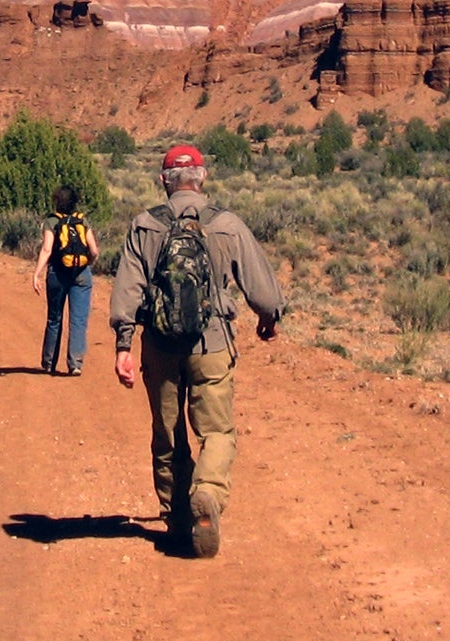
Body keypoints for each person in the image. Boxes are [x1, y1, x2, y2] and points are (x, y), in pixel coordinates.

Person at [109, 143, 286, 559]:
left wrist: (123, 344)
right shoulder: (226, 224)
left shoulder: (145, 225)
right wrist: (269, 317)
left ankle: (177, 521)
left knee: (168, 435)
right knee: (217, 432)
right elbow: (262, 289)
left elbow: (128, 289)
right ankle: (206, 492)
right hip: (212, 343)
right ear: (202, 177)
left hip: (160, 345)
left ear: (163, 181)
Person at [30, 184, 99, 375]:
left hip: (58, 274)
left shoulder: (52, 221)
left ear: (57, 201)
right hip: (82, 274)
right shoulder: (82, 221)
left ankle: (49, 362)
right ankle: (75, 364)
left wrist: (36, 273)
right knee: (78, 320)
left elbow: (47, 249)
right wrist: (87, 264)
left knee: (55, 318)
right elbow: (94, 250)